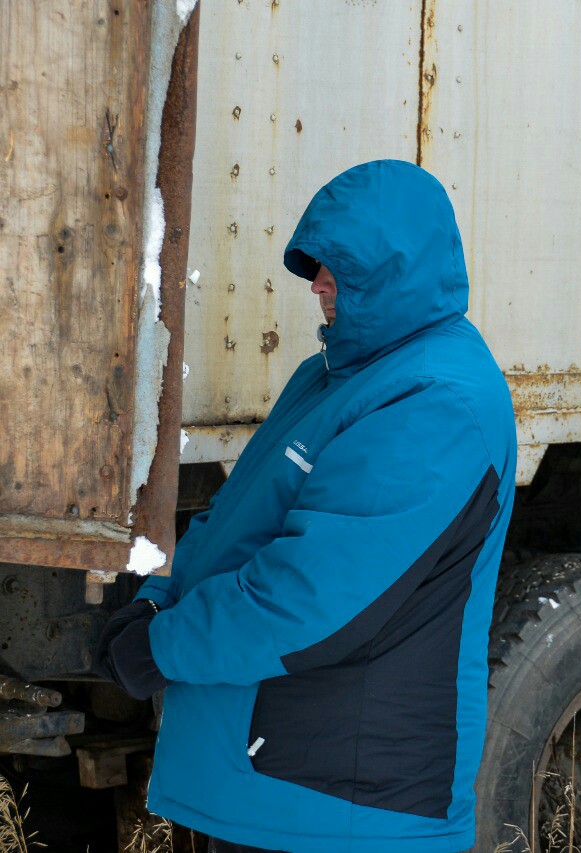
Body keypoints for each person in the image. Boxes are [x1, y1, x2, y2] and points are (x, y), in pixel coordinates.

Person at [93, 160, 517, 853]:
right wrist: (158, 599)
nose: (317, 282)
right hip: (279, 789)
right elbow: (237, 522)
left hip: (337, 807)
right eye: (316, 262)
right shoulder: (335, 376)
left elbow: (309, 597)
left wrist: (161, 645)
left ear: (395, 271)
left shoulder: (438, 403)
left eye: (337, 265)